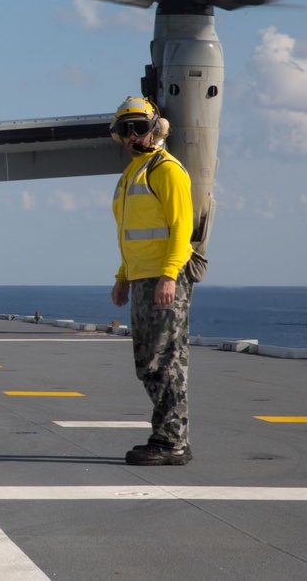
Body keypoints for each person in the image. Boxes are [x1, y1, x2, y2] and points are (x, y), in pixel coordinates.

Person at [109, 97, 195, 466]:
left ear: (156, 129)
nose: (132, 136)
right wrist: (123, 277)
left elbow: (182, 228)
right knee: (147, 362)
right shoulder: (133, 173)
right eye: (125, 130)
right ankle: (168, 436)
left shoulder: (166, 170)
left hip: (163, 279)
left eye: (139, 128)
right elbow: (131, 234)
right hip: (142, 278)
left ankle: (171, 441)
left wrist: (169, 274)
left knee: (166, 362)